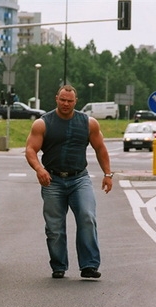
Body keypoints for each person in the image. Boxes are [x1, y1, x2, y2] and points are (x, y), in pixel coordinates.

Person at [25, 84, 113, 280]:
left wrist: (108, 174)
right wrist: (40, 169)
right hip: (53, 181)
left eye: (70, 101)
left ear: (76, 102)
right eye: (62, 100)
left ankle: (89, 265)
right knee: (54, 227)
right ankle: (59, 265)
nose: (66, 104)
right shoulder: (43, 123)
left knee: (87, 217)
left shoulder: (88, 123)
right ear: (56, 98)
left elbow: (101, 149)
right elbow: (30, 150)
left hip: (79, 178)